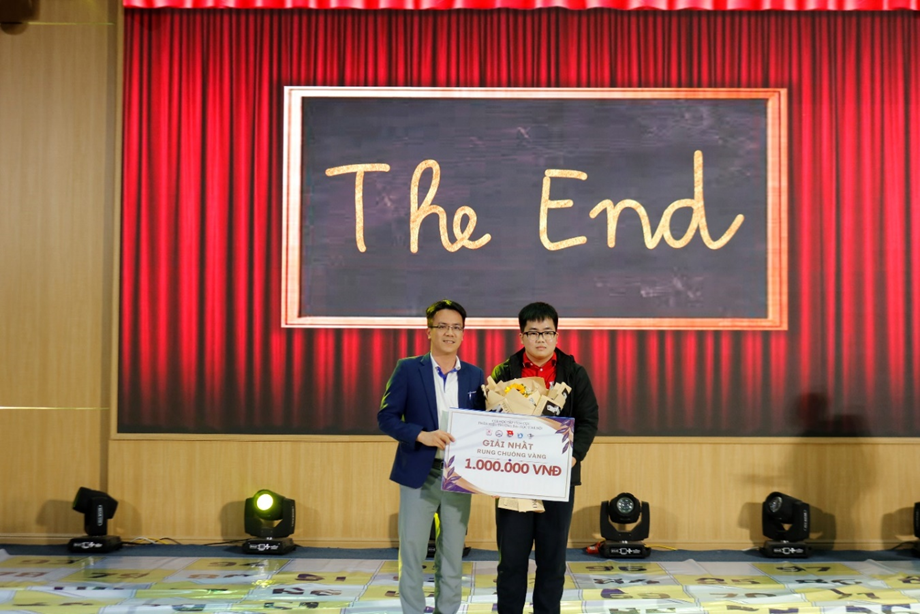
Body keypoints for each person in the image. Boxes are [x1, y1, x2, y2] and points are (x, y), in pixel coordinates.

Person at [378, 299, 486, 614]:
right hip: (417, 471)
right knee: (411, 552)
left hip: (458, 474)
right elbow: (386, 418)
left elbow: (482, 422)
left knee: (453, 553)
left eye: (456, 327)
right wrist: (421, 434)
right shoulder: (409, 368)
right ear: (429, 331)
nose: (449, 333)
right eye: (443, 326)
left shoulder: (474, 375)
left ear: (463, 333)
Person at [491, 301, 599, 614]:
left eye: (547, 332)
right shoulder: (504, 372)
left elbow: (588, 419)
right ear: (521, 336)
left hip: (557, 479)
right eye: (533, 332)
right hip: (514, 482)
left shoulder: (573, 373)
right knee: (511, 560)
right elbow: (492, 421)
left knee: (552, 560)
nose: (541, 339)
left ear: (556, 335)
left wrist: (574, 456)